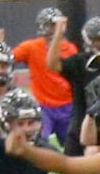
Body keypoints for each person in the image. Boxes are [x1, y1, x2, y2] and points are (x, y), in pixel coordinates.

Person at [12, 8, 79, 144]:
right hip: (42, 104)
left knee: (71, 143)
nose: (54, 29)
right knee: (39, 140)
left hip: (67, 104)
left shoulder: (70, 49)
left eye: (56, 25)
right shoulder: (31, 47)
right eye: (51, 25)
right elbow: (10, 59)